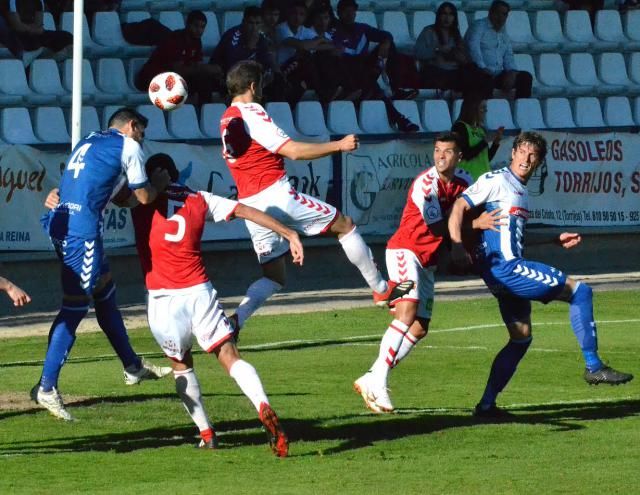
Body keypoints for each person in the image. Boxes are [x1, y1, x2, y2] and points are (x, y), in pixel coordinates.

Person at [448, 131, 633, 418]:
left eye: (533, 155)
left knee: (520, 338)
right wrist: (458, 245)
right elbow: (459, 207)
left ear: (539, 162)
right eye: (522, 152)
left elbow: (514, 235)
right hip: (507, 268)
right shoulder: (496, 180)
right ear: (513, 153)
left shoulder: (521, 192)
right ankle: (594, 367)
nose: (526, 158)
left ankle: (486, 406)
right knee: (580, 291)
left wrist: (554, 239)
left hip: (502, 272)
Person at [220, 60, 413, 334]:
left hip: (251, 207)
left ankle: (235, 321)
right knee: (344, 225)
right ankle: (382, 290)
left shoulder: (226, 117)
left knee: (274, 276)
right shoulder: (253, 111)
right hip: (277, 196)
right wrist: (339, 145)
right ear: (253, 85)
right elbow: (294, 151)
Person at [125, 153, 298, 456]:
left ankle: (207, 434)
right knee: (229, 354)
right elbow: (245, 210)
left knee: (181, 365)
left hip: (163, 298)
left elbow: (108, 194)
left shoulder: (139, 200)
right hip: (199, 291)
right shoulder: (199, 198)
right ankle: (262, 403)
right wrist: (288, 232)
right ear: (176, 172)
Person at [32, 107, 173, 421]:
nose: (143, 141)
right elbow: (145, 197)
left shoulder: (91, 141)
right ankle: (46, 387)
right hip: (80, 233)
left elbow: (123, 197)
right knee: (75, 307)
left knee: (104, 290)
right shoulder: (129, 146)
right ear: (132, 126)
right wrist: (159, 183)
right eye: (142, 133)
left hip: (63, 224)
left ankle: (132, 366)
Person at [353, 132, 502, 413]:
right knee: (407, 313)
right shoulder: (426, 184)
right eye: (436, 150)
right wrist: (474, 226)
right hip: (405, 250)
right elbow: (437, 229)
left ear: (459, 157)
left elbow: (473, 213)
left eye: (447, 151)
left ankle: (372, 375)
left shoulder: (466, 183)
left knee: (419, 328)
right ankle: (380, 382)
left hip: (428, 260)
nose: (440, 156)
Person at [330, 0, 420, 132]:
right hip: (348, 73)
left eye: (352, 11)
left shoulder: (362, 28)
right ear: (338, 13)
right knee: (374, 88)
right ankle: (401, 120)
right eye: (346, 12)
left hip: (364, 68)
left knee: (390, 45)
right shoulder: (334, 32)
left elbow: (387, 35)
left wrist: (385, 43)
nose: (350, 15)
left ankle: (396, 89)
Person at [135, 10, 223, 105]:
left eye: (202, 27)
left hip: (172, 80)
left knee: (208, 81)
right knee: (200, 79)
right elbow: (178, 71)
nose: (199, 30)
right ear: (187, 24)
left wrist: (210, 71)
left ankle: (204, 112)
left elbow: (196, 65)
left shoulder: (196, 41)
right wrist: (205, 69)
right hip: (153, 79)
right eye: (196, 26)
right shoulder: (175, 39)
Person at [414, 2, 491, 98]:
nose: (447, 18)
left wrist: (459, 56)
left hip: (455, 71)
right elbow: (418, 52)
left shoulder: (456, 34)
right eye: (444, 14)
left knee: (481, 79)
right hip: (436, 71)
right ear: (439, 15)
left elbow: (466, 57)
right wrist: (437, 49)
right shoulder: (428, 31)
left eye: (450, 14)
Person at [209, 6, 284, 103]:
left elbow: (268, 61)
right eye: (251, 23)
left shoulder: (261, 38)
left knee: (277, 81)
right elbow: (233, 65)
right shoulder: (234, 35)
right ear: (244, 22)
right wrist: (250, 47)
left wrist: (277, 74)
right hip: (225, 76)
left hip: (249, 77)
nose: (254, 27)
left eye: (257, 23)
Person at [464, 0, 532, 99]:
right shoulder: (478, 26)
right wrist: (482, 68)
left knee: (525, 78)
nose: (500, 17)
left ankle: (520, 109)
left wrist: (511, 72)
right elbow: (472, 48)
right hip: (479, 72)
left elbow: (508, 55)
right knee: (483, 80)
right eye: (497, 13)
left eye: (504, 14)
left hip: (497, 74)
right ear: (490, 12)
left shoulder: (503, 33)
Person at [0, 0, 73, 65]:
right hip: (19, 34)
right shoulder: (12, 1)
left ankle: (49, 56)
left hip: (34, 33)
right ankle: (40, 55)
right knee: (32, 41)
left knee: (67, 37)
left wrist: (30, 28)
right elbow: (17, 26)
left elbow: (39, 26)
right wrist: (32, 28)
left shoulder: (39, 1)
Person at [452, 97, 503, 181]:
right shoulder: (460, 127)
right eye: (483, 108)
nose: (485, 111)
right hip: (467, 180)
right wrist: (484, 141)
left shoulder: (481, 129)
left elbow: (486, 158)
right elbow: (465, 155)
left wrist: (496, 142)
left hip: (483, 180)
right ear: (473, 109)